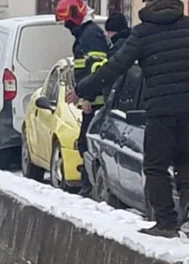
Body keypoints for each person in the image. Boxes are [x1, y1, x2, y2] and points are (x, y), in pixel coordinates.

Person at [66, 0, 189, 238]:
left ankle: (166, 221)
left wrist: (82, 88)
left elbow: (115, 67)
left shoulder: (143, 32)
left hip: (159, 108)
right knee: (183, 157)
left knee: (155, 165)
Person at [56, 0, 111, 198]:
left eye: (67, 21)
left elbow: (97, 69)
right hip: (91, 100)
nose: (66, 26)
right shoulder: (87, 35)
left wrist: (87, 97)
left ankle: (90, 189)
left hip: (95, 102)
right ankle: (89, 186)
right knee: (85, 143)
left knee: (87, 144)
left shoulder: (90, 36)